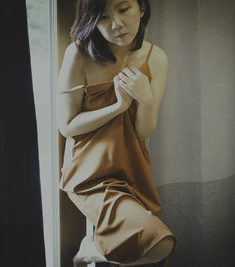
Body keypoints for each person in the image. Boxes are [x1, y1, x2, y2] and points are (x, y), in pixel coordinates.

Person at [56, 0, 177, 266]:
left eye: (124, 9)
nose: (116, 24)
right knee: (160, 244)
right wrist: (118, 106)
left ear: (142, 8)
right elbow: (67, 125)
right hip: (89, 175)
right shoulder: (78, 54)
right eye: (102, 17)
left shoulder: (156, 58)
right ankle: (93, 250)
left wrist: (144, 100)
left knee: (150, 248)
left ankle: (95, 250)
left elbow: (143, 131)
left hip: (132, 169)